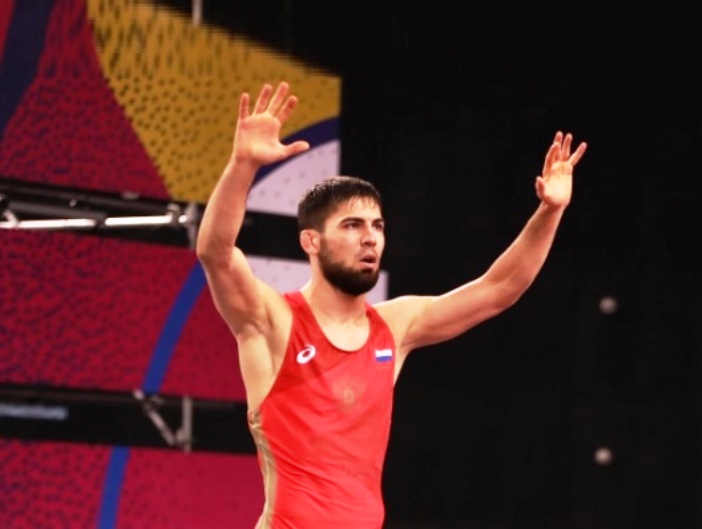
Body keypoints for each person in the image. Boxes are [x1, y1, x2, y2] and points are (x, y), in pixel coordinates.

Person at [196, 81, 587, 529]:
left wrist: (550, 211)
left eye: (377, 226)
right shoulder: (273, 320)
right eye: (352, 225)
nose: (370, 238)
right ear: (311, 241)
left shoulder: (395, 326)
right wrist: (243, 166)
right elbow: (216, 253)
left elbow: (500, 288)